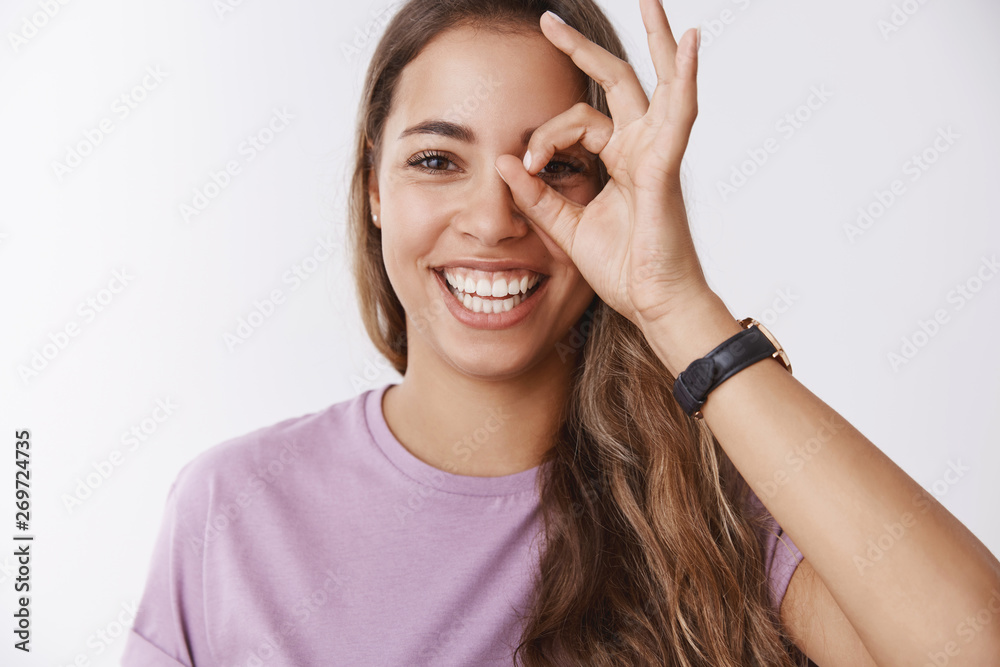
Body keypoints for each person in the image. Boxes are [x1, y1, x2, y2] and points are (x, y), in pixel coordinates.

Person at [122, 0, 1000, 665]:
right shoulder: (228, 509)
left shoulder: (719, 509)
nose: (495, 217)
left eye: (557, 166)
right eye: (437, 159)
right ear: (375, 189)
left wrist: (677, 302)